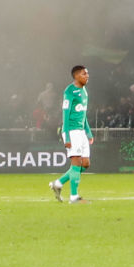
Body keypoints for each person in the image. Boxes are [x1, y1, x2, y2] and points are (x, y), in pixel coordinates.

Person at [50, 65, 90, 203]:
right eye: (84, 74)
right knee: (76, 164)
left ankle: (59, 183)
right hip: (71, 131)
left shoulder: (84, 91)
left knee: (85, 163)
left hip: (81, 131)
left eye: (87, 74)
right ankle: (74, 197)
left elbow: (83, 114)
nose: (87, 76)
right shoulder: (69, 91)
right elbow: (65, 115)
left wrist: (88, 132)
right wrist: (66, 135)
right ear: (76, 76)